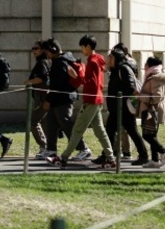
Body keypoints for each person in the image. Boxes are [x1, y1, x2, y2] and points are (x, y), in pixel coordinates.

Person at [46, 35, 116, 169]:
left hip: (91, 100)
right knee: (100, 131)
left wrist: (78, 76)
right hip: (97, 99)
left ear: (88, 47)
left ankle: (63, 158)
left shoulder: (93, 62)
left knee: (77, 130)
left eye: (82, 47)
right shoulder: (97, 60)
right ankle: (111, 159)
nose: (81, 50)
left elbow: (92, 83)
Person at [41, 38, 91, 161]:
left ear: (53, 50)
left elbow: (57, 84)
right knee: (50, 123)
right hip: (59, 98)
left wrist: (48, 99)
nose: (46, 55)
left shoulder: (59, 62)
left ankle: (83, 148)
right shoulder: (66, 59)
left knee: (66, 124)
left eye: (47, 52)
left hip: (63, 99)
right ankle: (51, 149)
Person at [105, 46, 150, 165]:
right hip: (116, 108)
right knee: (110, 130)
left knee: (132, 131)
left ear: (116, 58)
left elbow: (130, 87)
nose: (109, 59)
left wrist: (120, 96)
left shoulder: (124, 69)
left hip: (124, 108)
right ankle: (107, 155)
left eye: (111, 57)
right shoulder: (114, 70)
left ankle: (143, 155)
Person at [137, 56, 165, 168]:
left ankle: (164, 151)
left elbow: (157, 97)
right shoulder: (152, 77)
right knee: (152, 135)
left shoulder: (155, 78)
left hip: (152, 111)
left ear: (149, 66)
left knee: (147, 135)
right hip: (150, 111)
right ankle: (155, 160)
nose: (144, 67)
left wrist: (140, 96)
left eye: (145, 64)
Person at [23, 41, 49, 158]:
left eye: (36, 48)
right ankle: (48, 148)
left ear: (43, 50)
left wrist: (28, 82)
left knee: (33, 121)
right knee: (43, 122)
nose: (33, 51)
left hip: (42, 97)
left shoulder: (42, 63)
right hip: (43, 97)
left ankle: (44, 147)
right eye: (32, 48)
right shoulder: (46, 62)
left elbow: (41, 78)